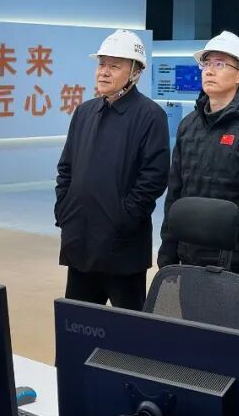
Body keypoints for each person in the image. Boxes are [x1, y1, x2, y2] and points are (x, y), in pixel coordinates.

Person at [55, 29, 169, 310]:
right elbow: (66, 168)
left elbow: (154, 178)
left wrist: (123, 218)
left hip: (121, 247)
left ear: (135, 72)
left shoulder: (150, 115)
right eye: (101, 64)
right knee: (77, 323)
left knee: (128, 330)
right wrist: (64, 211)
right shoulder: (85, 112)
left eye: (114, 66)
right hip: (80, 240)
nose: (103, 72)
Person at [158, 31, 239, 291]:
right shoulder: (189, 125)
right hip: (188, 256)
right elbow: (175, 193)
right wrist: (167, 254)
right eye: (206, 64)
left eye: (220, 64)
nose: (209, 71)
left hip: (233, 263)